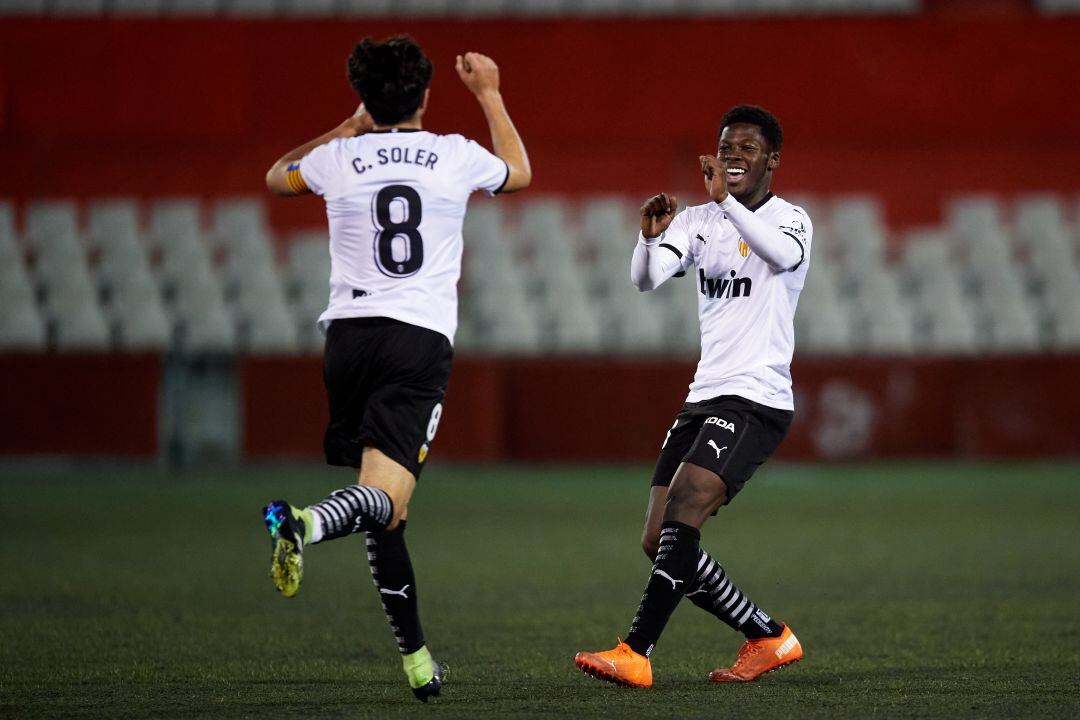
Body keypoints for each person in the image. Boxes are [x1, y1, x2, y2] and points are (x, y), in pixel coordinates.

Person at [259, 35, 530, 702]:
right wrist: (491, 94)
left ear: (364, 96)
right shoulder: (454, 155)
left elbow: (276, 175)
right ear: (427, 95)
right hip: (416, 340)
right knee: (386, 500)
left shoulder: (337, 159)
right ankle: (305, 523)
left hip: (348, 340)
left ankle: (417, 664)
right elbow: (518, 171)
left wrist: (349, 126)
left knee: (387, 516)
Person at [574, 105, 811, 688]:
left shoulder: (793, 221)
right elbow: (646, 279)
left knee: (685, 506)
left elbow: (780, 257)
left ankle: (637, 650)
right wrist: (647, 238)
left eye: (747, 149)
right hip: (704, 394)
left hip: (756, 398)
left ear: (772, 160)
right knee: (659, 539)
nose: (734, 156)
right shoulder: (699, 220)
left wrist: (728, 205)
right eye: (726, 147)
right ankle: (768, 636)